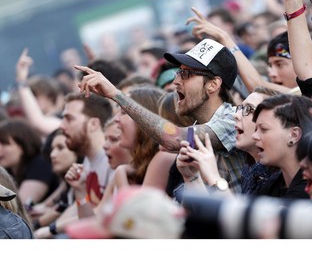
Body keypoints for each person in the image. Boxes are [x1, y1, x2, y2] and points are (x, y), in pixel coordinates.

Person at [75, 38, 248, 194]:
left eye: (187, 74)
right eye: (179, 72)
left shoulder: (233, 118)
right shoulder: (196, 128)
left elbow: (174, 138)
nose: (176, 81)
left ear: (213, 84)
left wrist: (117, 95)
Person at [33, 91, 113, 238]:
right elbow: (77, 207)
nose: (62, 126)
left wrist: (50, 230)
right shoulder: (89, 160)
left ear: (93, 124)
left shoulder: (112, 160)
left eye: (69, 119)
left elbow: (105, 217)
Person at [175, 86, 280, 196]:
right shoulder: (250, 170)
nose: (236, 115)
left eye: (248, 109)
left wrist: (214, 177)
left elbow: (238, 213)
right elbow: (211, 213)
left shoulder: (280, 177)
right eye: (240, 108)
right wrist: (192, 177)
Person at [29, 129, 84, 230]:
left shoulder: (84, 179)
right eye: (52, 149)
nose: (52, 155)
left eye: (60, 148)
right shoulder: (65, 183)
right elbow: (50, 206)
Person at [0, 118, 59, 205]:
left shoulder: (41, 163)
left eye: (4, 144)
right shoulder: (9, 169)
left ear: (22, 145)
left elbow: (20, 205)